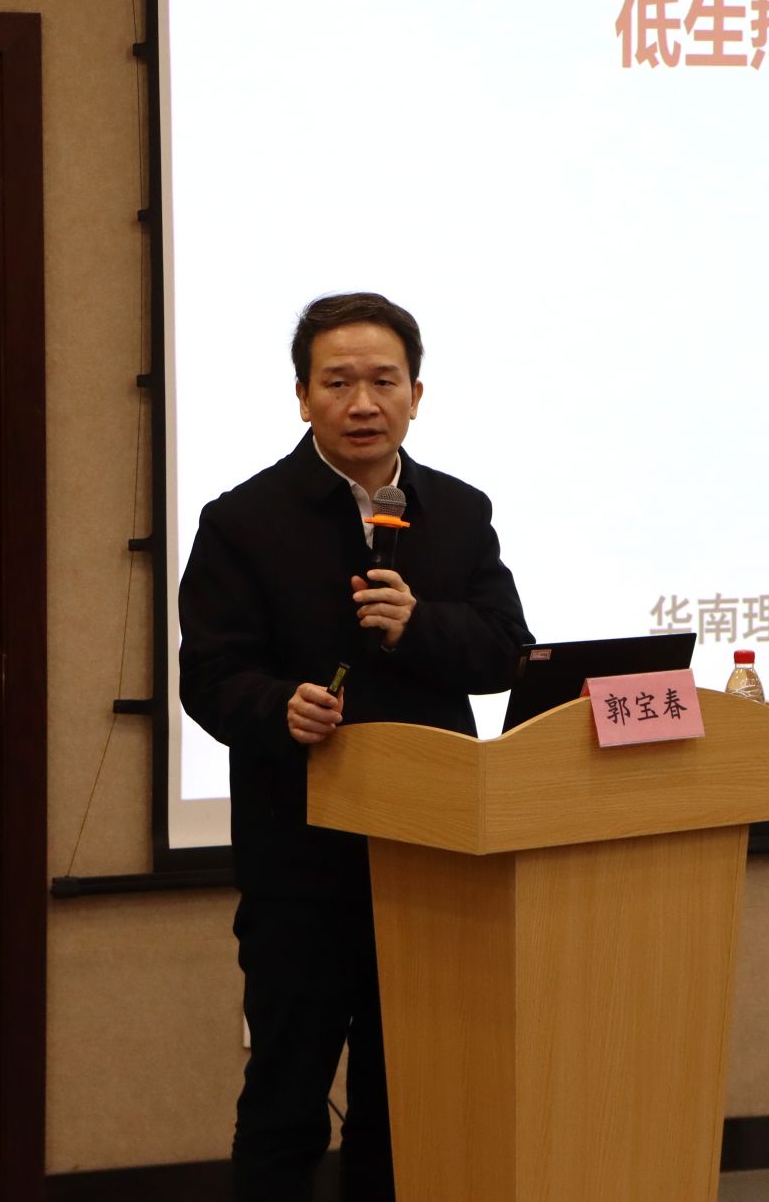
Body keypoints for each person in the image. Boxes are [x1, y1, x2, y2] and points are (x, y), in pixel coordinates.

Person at [179, 293, 532, 1201]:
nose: (363, 402)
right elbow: (209, 676)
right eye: (338, 382)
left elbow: (506, 652)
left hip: (430, 854)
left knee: (407, 1095)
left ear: (418, 394)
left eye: (384, 381)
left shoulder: (459, 510)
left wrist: (420, 626)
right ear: (302, 396)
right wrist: (278, 707)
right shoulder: (243, 520)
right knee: (287, 1095)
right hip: (301, 857)